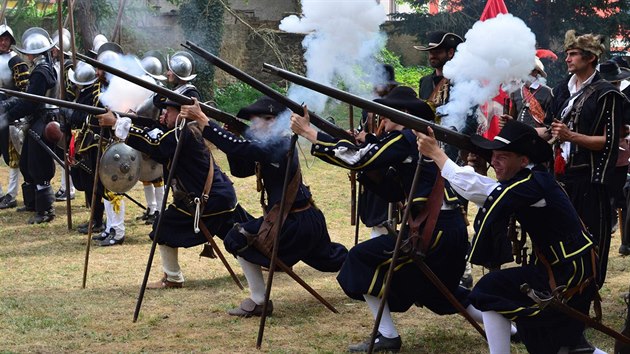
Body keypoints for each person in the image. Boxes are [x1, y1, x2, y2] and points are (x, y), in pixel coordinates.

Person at [290, 86, 476, 352]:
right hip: (446, 228)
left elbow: (357, 158)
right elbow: (391, 189)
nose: (381, 117)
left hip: (434, 230)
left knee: (359, 259)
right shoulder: (415, 140)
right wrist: (370, 168)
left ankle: (386, 335)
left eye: (388, 112)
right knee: (436, 292)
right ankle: (511, 328)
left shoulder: (404, 140)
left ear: (403, 114)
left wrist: (310, 133)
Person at [417, 120, 601, 354]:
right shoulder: (528, 178)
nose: (494, 162)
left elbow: (485, 192)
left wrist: (436, 154)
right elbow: (488, 190)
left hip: (569, 270)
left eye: (502, 156)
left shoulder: (530, 183)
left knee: (492, 290)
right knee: (561, 343)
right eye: (493, 156)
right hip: (564, 265)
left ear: (523, 160)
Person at [180, 96, 348, 317]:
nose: (255, 124)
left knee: (236, 238)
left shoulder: (279, 143)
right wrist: (235, 134)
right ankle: (369, 269)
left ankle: (259, 301)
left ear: (275, 121)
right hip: (306, 219)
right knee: (332, 258)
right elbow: (241, 169)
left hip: (294, 223)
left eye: (262, 119)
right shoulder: (270, 144)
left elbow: (240, 148)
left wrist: (203, 119)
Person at [97, 97, 250, 286]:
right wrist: (129, 120)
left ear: (181, 113)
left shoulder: (182, 133)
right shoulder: (180, 132)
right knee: (241, 237)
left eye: (168, 110)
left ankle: (172, 277)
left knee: (163, 227)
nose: (164, 114)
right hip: (219, 196)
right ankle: (266, 262)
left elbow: (156, 145)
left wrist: (117, 123)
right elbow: (153, 135)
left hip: (207, 200)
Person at [549, 30, 624, 287]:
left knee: (589, 241)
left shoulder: (607, 94)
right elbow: (550, 129)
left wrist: (571, 136)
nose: (567, 59)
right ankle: (559, 290)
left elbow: (609, 141)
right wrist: (515, 130)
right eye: (567, 54)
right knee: (558, 238)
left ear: (590, 57)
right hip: (560, 178)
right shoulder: (562, 89)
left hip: (589, 180)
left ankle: (586, 294)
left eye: (573, 54)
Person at [2, 27, 58, 224]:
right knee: (26, 161)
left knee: (38, 163)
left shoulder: (41, 73)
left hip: (44, 118)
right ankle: (33, 202)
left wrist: (8, 116)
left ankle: (46, 210)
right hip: (38, 117)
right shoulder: (42, 68)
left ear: (33, 53)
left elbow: (30, 102)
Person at [0, 22, 28, 210]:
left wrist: (8, 106)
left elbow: (24, 91)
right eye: (1, 39)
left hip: (10, 114)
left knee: (12, 156)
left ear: (11, 41)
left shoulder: (16, 61)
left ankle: (11, 194)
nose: (3, 42)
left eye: (6, 39)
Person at [509, 57, 554, 129]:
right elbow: (513, 117)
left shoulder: (547, 92)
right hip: (519, 134)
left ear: (535, 72)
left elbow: (551, 120)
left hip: (538, 135)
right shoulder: (516, 93)